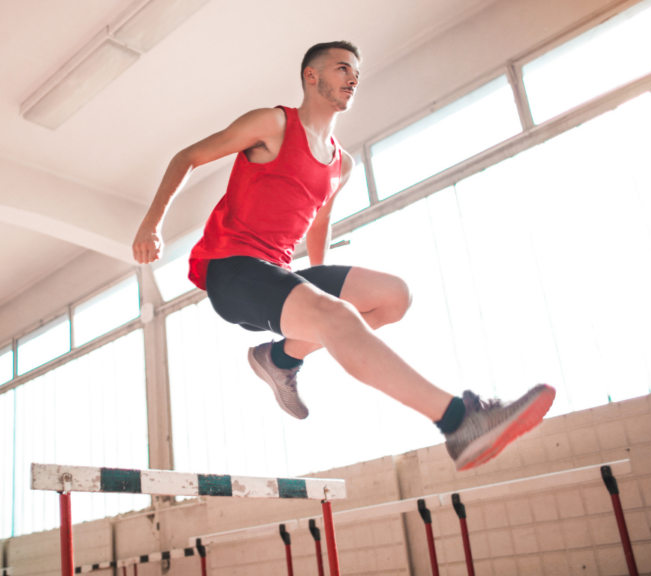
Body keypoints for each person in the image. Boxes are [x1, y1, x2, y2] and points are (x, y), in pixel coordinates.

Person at [132, 41, 554, 471]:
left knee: (393, 297)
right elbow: (189, 156)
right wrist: (152, 224)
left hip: (277, 270)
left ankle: (280, 358)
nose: (352, 78)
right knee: (336, 317)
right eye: (341, 69)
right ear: (311, 76)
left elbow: (318, 222)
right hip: (233, 271)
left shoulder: (341, 163)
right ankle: (458, 422)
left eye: (356, 72)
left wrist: (317, 282)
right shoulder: (274, 123)